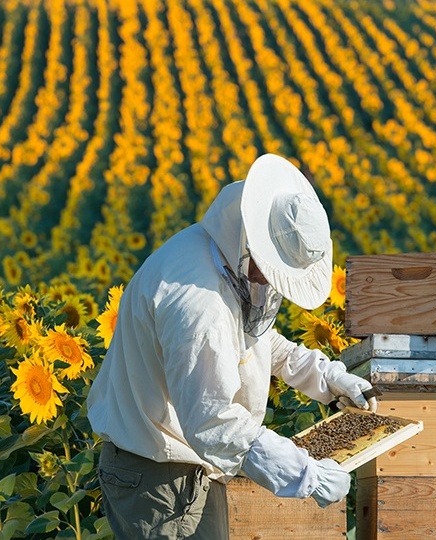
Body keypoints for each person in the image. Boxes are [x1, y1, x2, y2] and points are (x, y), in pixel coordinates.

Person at [86, 153, 377, 539]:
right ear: (256, 243)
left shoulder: (218, 254)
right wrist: (305, 474)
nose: (272, 282)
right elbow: (212, 420)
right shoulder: (197, 300)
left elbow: (253, 341)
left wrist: (325, 377)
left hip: (179, 469)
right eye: (274, 270)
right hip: (158, 478)